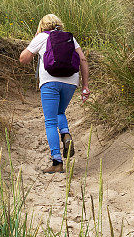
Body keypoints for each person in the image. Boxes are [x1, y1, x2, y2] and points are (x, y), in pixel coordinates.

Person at [20, 14, 90, 174]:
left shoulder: (42, 37)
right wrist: (85, 85)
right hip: (71, 82)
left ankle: (57, 162)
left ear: (42, 25)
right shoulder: (69, 38)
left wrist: (34, 40)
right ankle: (65, 134)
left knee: (50, 122)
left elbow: (23, 58)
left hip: (50, 83)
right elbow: (83, 60)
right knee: (60, 112)